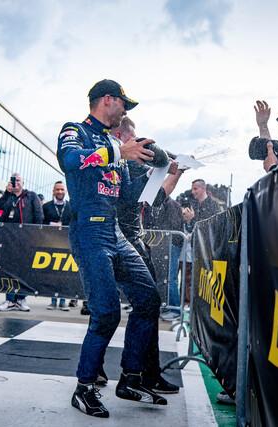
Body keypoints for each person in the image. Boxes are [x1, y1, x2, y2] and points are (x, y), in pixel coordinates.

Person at [58, 79, 166, 418]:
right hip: (89, 232)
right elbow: (70, 160)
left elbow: (129, 196)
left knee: (149, 300)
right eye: (123, 104)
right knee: (106, 312)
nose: (125, 111)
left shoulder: (114, 143)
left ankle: (131, 378)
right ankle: (84, 387)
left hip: (115, 232)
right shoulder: (75, 130)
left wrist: (159, 171)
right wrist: (120, 152)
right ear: (107, 100)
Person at [111, 116, 182, 394]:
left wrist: (173, 171)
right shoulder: (123, 163)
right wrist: (163, 168)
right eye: (134, 138)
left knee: (144, 307)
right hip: (125, 243)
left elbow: (155, 197)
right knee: (141, 306)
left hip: (133, 241)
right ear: (121, 137)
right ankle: (137, 374)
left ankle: (144, 373)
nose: (140, 144)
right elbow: (141, 195)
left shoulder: (129, 165)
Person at [0, 173, 43, 312]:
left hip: (26, 238)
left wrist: (36, 234)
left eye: (18, 180)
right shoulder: (9, 196)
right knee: (9, 269)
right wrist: (6, 192)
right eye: (13, 180)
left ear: (23, 182)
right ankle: (10, 300)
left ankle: (21, 299)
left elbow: (39, 215)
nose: (15, 182)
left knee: (24, 269)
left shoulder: (31, 196)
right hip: (9, 239)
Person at [180, 179, 222, 304]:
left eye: (195, 189)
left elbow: (210, 227)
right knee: (194, 278)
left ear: (203, 188)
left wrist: (192, 219)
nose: (193, 192)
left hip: (208, 248)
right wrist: (188, 221)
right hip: (196, 247)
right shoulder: (194, 204)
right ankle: (194, 304)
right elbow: (192, 228)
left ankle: (205, 304)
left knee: (205, 277)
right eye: (192, 189)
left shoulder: (213, 205)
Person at [42, 180, 73, 311]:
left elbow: (74, 223)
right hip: (50, 244)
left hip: (66, 244)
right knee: (52, 274)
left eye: (62, 189)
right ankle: (53, 301)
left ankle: (63, 301)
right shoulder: (46, 206)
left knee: (65, 274)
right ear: (53, 191)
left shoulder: (71, 206)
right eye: (57, 189)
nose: (60, 191)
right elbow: (41, 223)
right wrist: (51, 225)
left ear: (65, 191)